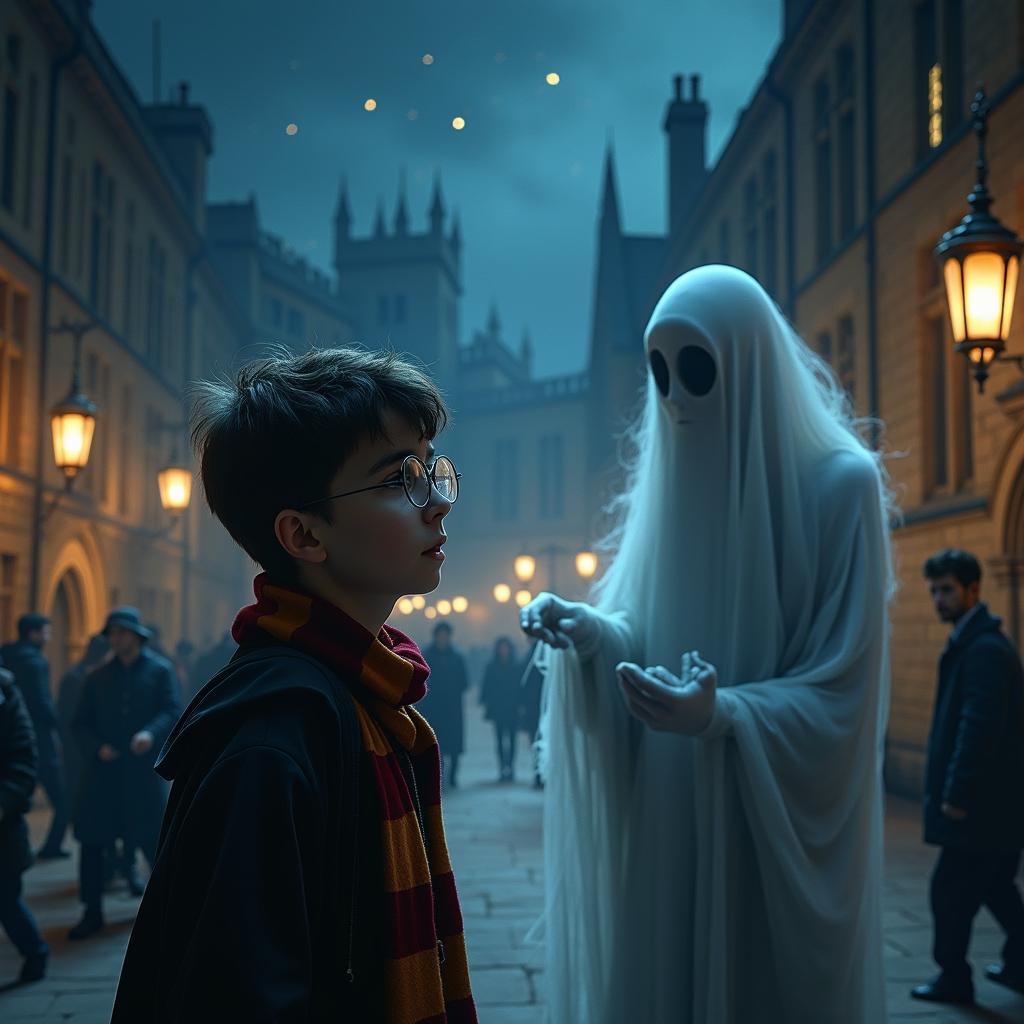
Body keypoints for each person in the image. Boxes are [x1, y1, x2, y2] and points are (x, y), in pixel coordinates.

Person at [521, 266, 893, 1023]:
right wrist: (592, 634)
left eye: (696, 368)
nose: (677, 397)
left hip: (763, 826)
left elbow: (844, 689)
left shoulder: (840, 488)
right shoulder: (675, 481)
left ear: (747, 360)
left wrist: (725, 715)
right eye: (659, 372)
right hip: (671, 813)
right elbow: (645, 629)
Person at [112, 347, 477, 1022]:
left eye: (432, 468)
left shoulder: (368, 687)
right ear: (303, 535)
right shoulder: (273, 736)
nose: (437, 503)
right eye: (401, 480)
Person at [911, 549, 1024, 1005]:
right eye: (934, 591)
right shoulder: (973, 643)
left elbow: (977, 729)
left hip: (980, 808)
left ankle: (953, 978)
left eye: (946, 590)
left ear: (973, 590)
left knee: (949, 893)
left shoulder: (984, 650)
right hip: (995, 809)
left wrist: (957, 794)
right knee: (996, 887)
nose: (938, 599)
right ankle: (1021, 964)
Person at [68, 607, 181, 938]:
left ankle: (165, 909)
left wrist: (150, 733)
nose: (116, 640)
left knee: (153, 843)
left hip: (142, 774)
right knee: (92, 843)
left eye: (122, 633)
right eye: (112, 634)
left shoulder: (159, 671)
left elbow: (172, 710)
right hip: (103, 775)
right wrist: (96, 748)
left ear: (136, 636)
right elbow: (79, 724)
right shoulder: (96, 676)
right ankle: (91, 911)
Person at [1, 613, 68, 860]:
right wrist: (59, 729)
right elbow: (42, 702)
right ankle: (51, 847)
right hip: (38, 738)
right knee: (62, 800)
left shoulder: (5, 655)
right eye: (46, 632)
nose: (48, 637)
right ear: (33, 633)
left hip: (8, 736)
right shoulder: (36, 662)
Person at [0, 662, 48, 987]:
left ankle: (35, 951)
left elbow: (23, 757)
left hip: (2, 825)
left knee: (6, 899)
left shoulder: (6, 694)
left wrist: (3, 803)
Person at [421, 621, 470, 789]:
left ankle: (454, 775)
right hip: (434, 706)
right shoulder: (427, 656)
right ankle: (439, 774)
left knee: (454, 743)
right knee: (437, 741)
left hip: (453, 707)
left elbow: (465, 682)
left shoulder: (457, 657)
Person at [479, 637, 522, 782]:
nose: (504, 650)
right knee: (499, 740)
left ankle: (510, 767)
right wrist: (486, 701)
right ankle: (502, 767)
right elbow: (486, 686)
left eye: (506, 647)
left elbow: (520, 687)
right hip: (498, 709)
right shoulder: (492, 666)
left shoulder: (516, 666)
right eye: (501, 648)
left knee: (512, 740)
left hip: (512, 709)